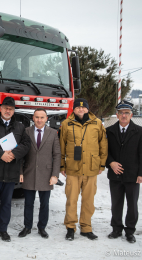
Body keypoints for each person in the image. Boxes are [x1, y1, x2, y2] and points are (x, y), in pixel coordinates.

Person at [0, 96, 31, 242]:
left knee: (6, 203)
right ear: (0, 108)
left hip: (11, 172)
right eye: (5, 108)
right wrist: (1, 155)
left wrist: (14, 154)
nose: (7, 111)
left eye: (10, 109)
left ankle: (3, 230)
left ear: (14, 110)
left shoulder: (20, 127)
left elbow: (26, 145)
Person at [60, 98, 108, 241]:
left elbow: (103, 145)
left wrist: (102, 164)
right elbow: (61, 145)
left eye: (83, 107)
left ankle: (86, 227)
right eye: (78, 108)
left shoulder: (98, 124)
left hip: (91, 168)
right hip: (73, 168)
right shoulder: (66, 124)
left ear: (88, 109)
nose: (81, 110)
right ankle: (70, 227)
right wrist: (62, 165)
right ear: (74, 109)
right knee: (71, 199)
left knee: (88, 200)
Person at [19, 108, 61, 239]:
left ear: (46, 119)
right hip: (29, 172)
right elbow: (21, 154)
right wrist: (20, 172)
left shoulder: (53, 133)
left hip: (46, 174)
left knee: (45, 204)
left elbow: (57, 154)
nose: (39, 120)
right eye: (37, 117)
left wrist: (55, 175)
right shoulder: (26, 131)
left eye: (42, 117)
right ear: (33, 118)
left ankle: (42, 227)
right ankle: (27, 227)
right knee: (28, 203)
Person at [106, 100, 142, 243]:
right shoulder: (109, 131)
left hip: (132, 175)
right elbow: (104, 151)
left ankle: (130, 231)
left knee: (132, 205)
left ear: (131, 114)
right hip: (115, 175)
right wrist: (111, 162)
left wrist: (140, 173)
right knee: (116, 203)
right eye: (121, 113)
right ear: (117, 114)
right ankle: (116, 229)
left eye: (127, 113)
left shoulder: (139, 131)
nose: (124, 115)